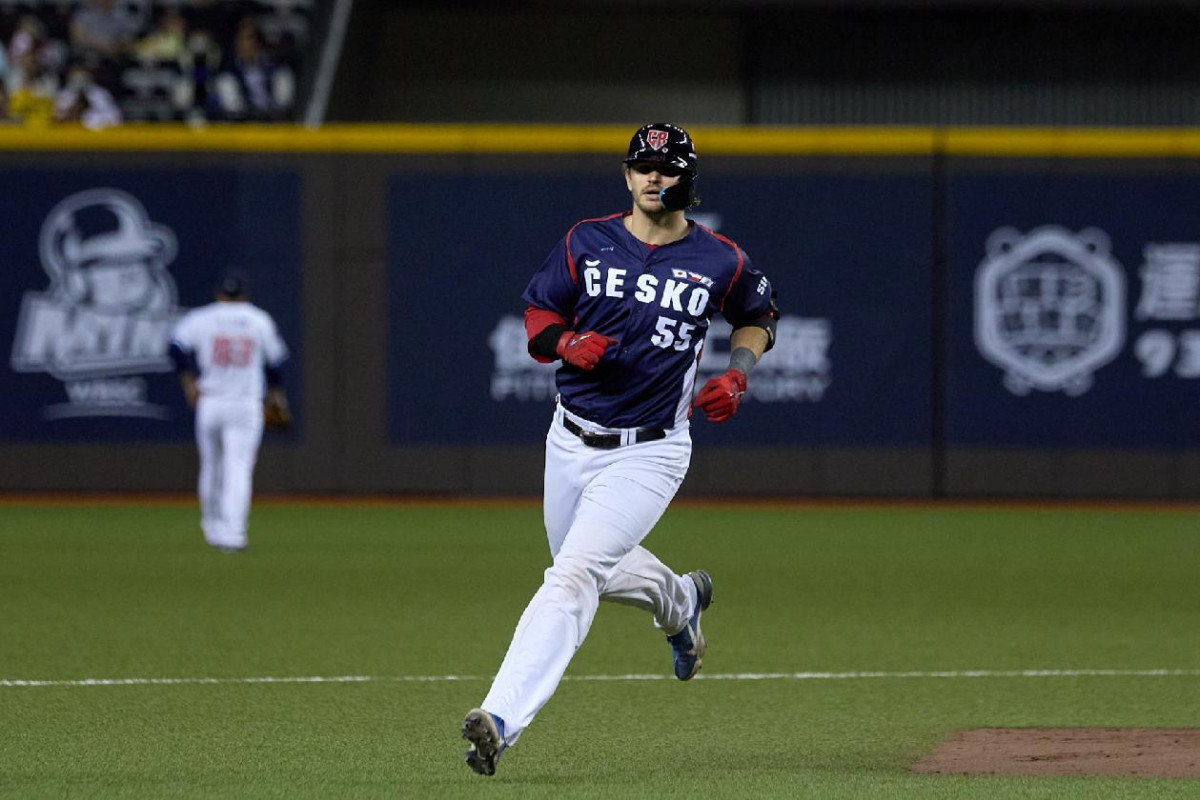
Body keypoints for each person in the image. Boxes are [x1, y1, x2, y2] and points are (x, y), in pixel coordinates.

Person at [461, 123, 780, 776]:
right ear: (627, 175)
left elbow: (758, 314)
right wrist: (564, 345)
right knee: (586, 568)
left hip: (650, 451)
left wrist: (740, 369)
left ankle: (499, 717)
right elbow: (539, 314)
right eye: (642, 166)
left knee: (573, 577)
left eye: (666, 166)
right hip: (569, 435)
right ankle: (680, 602)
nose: (653, 177)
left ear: (688, 178)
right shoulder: (587, 239)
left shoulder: (719, 258)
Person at [169, 274, 290, 553]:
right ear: (244, 295)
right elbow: (275, 364)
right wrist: (278, 398)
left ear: (219, 294)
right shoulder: (258, 319)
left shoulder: (203, 317)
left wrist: (188, 381)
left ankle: (212, 528)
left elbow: (174, 347)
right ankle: (233, 535)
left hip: (210, 402)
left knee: (211, 465)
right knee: (238, 468)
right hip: (245, 404)